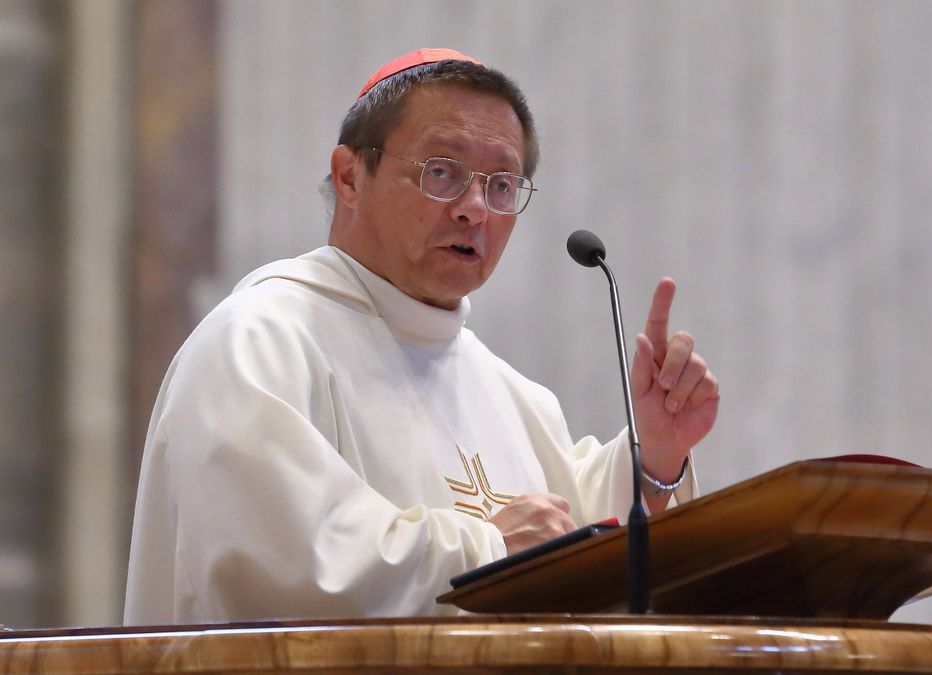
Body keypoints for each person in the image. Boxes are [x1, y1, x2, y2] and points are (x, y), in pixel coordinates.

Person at [124, 48, 719, 624]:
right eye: (442, 173)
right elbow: (280, 564)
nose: (474, 209)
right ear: (351, 176)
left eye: (502, 185)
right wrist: (487, 549)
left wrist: (654, 461)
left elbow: (580, 560)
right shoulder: (256, 343)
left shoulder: (514, 396)